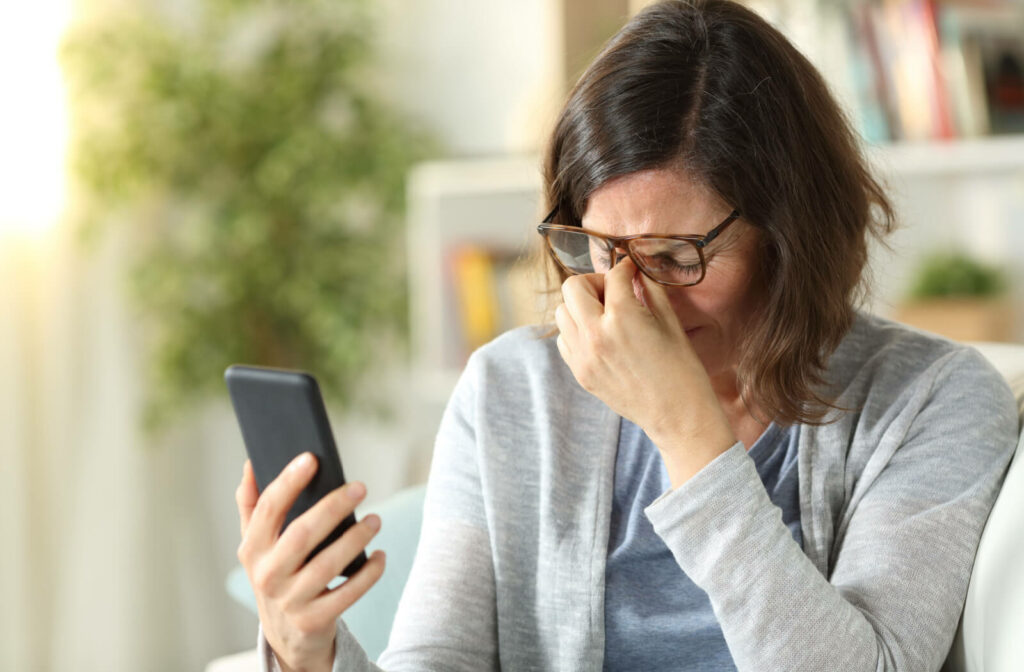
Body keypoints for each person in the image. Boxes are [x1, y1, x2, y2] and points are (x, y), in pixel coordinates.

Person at [234, 1, 1020, 670]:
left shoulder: (934, 401)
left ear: (792, 235)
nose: (631, 298)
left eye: (678, 256)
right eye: (604, 251)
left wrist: (686, 430)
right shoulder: (512, 390)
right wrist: (309, 650)